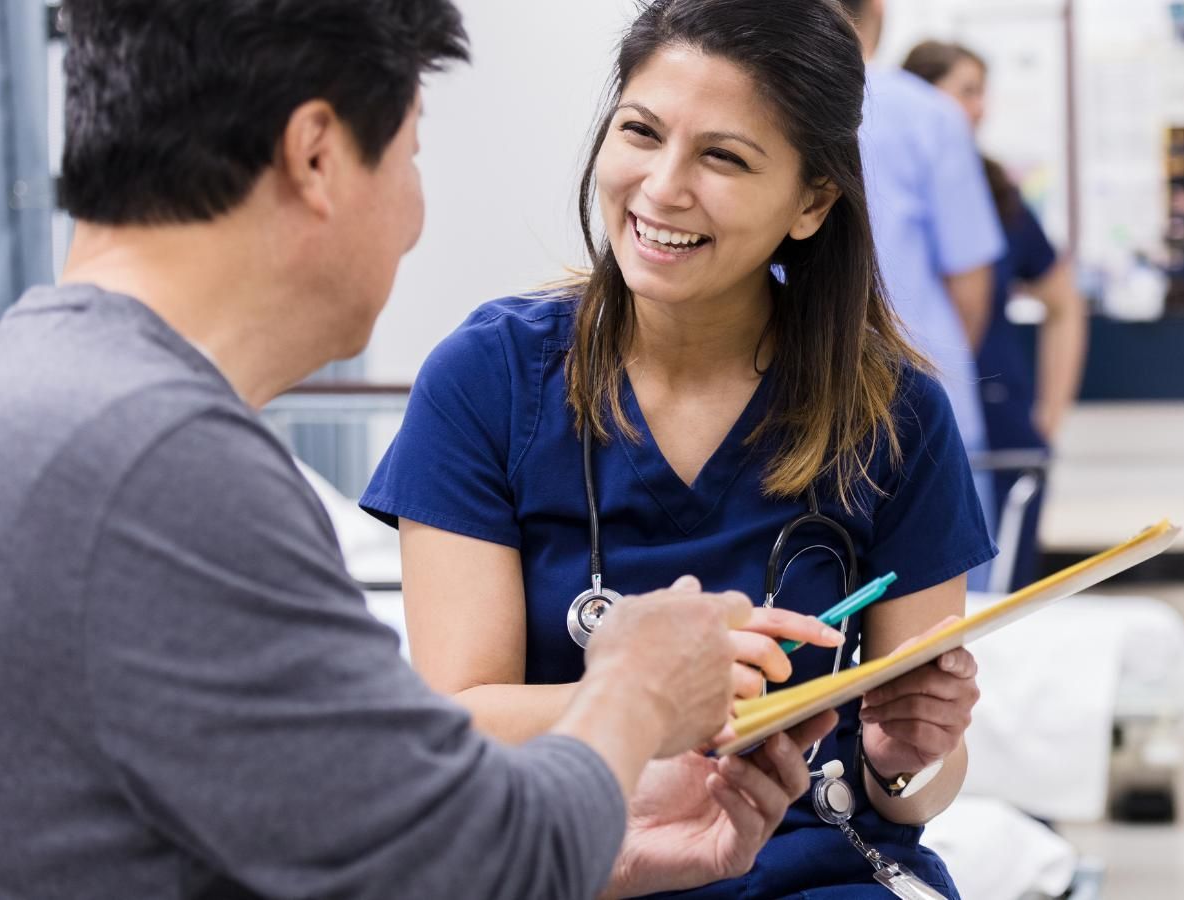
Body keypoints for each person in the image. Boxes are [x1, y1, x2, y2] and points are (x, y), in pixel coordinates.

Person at [0, 2, 830, 898]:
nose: (414, 218)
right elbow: (453, 867)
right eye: (411, 154)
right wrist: (640, 687)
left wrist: (618, 852)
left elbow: (342, 835)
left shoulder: (45, 389)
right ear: (317, 155)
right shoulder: (164, 466)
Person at [360, 0, 992, 895]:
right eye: (641, 132)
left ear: (812, 201)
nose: (661, 187)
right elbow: (459, 723)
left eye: (722, 156)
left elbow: (916, 794)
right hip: (575, 861)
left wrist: (904, 756)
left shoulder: (896, 415)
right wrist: (663, 691)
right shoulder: (488, 381)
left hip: (814, 872)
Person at [903, 39, 1089, 591]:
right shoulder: (883, 183)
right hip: (922, 419)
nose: (979, 108)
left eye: (982, 93)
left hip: (1001, 423)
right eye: (965, 91)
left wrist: (1051, 415)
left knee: (1004, 597)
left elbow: (1064, 302)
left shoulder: (995, 192)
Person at [840, 0, 1008, 554]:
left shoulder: (762, 106)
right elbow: (969, 284)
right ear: (878, 12)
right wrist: (938, 372)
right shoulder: (930, 115)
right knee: (946, 625)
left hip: (798, 411)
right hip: (927, 408)